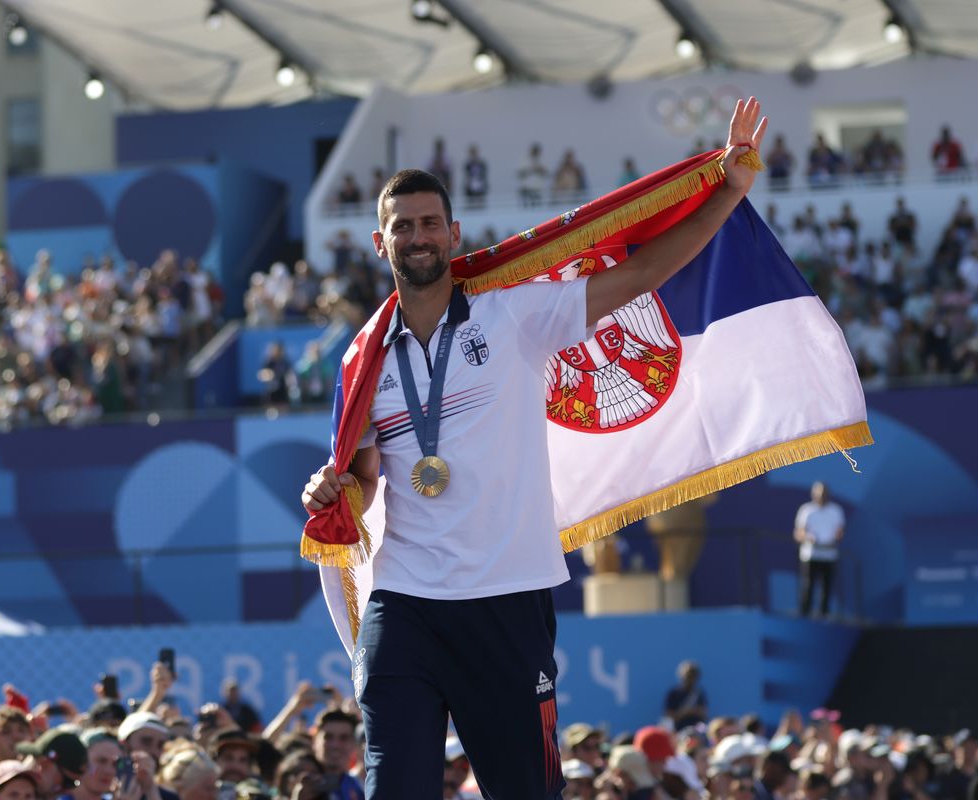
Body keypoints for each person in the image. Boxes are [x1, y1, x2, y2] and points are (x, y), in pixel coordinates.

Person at [301, 98, 768, 797]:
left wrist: (726, 194)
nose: (419, 235)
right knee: (393, 785)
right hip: (406, 602)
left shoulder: (513, 315)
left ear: (454, 235)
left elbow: (638, 277)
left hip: (505, 600)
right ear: (380, 242)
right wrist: (332, 490)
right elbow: (364, 479)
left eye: (431, 223)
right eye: (404, 226)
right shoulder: (362, 360)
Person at [793, 481, 845, 617]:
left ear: (828, 494)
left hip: (829, 555)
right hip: (810, 555)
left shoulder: (836, 510)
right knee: (808, 586)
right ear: (813, 494)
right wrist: (807, 537)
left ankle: (824, 616)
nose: (821, 496)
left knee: (826, 588)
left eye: (824, 493)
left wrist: (834, 538)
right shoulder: (806, 510)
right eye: (818, 493)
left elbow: (840, 531)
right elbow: (798, 533)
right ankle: (804, 615)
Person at [664, 661, 709, 731]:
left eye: (693, 675)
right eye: (688, 675)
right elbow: (668, 714)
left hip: (695, 730)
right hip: (678, 730)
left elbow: (704, 712)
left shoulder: (699, 693)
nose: (690, 679)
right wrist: (684, 713)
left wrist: (694, 711)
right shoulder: (674, 693)